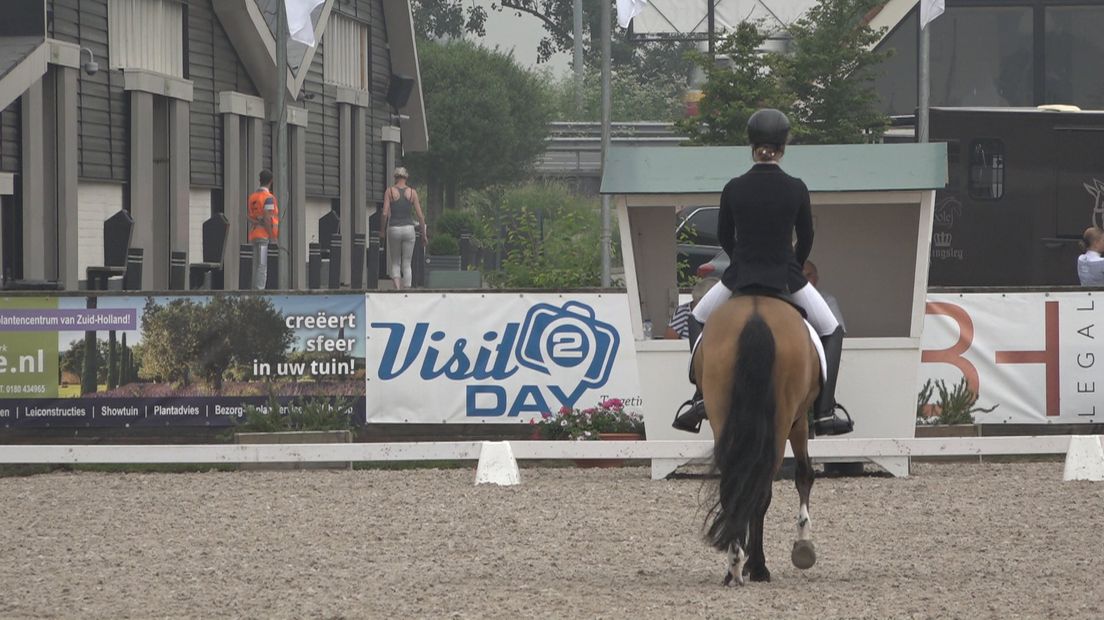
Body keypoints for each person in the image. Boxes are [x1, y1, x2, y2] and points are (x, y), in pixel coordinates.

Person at [672, 108, 852, 436]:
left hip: (740, 276)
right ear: (782, 148)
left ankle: (700, 398)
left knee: (696, 318)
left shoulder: (734, 187)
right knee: (832, 329)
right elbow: (807, 237)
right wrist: (793, 265)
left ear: (751, 145)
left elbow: (725, 236)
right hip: (785, 276)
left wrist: (741, 257)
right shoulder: (796, 187)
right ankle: (825, 411)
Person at [381, 167, 428, 289]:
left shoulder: (389, 191)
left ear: (395, 177)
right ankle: (407, 291)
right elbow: (420, 216)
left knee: (396, 261)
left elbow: (385, 213)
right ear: (406, 177)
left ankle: (397, 289)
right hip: (408, 228)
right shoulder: (412, 193)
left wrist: (382, 231)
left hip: (394, 228)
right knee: (407, 263)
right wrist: (424, 234)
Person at [247, 169, 279, 291]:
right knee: (262, 264)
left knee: (255, 263)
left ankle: (253, 289)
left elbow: (249, 216)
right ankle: (259, 291)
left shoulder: (252, 197)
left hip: (254, 234)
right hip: (264, 236)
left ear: (259, 180)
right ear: (271, 181)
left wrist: (257, 221)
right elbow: (267, 217)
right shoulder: (269, 198)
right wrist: (272, 236)